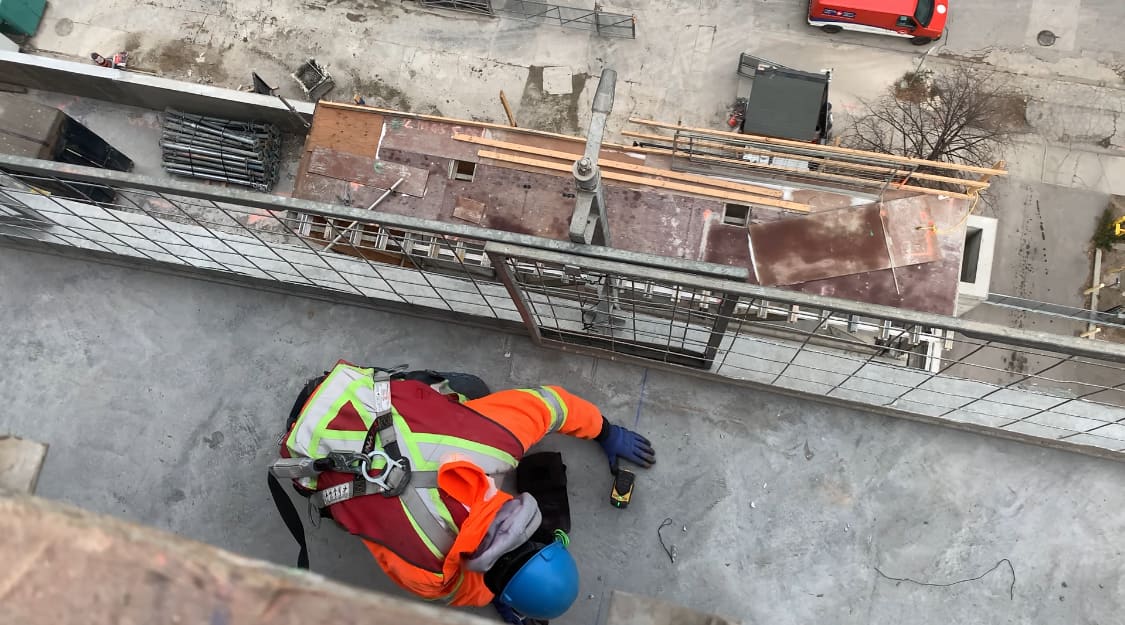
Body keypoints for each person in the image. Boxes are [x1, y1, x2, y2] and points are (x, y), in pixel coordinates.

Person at [272, 361, 656, 623]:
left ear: (538, 537)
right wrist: (505, 602)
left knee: (472, 395)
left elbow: (554, 404)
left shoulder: (496, 442)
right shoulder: (426, 573)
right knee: (366, 517)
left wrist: (606, 430)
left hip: (346, 391)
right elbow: (462, 590)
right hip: (304, 450)